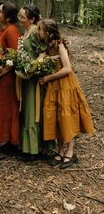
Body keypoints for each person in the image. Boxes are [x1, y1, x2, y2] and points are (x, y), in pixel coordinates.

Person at [37, 19, 95, 168]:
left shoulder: (59, 44)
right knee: (56, 117)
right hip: (54, 87)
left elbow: (67, 68)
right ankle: (60, 151)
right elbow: (41, 61)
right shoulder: (46, 46)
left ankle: (70, 152)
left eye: (40, 30)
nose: (38, 32)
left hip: (65, 85)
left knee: (67, 116)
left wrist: (48, 77)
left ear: (48, 32)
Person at [16, 4, 49, 160]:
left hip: (34, 78)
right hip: (25, 76)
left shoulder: (36, 30)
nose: (20, 19)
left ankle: (34, 149)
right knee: (26, 110)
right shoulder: (26, 31)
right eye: (19, 16)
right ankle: (26, 145)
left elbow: (43, 51)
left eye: (23, 17)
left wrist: (34, 67)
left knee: (32, 110)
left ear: (32, 19)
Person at [0, 2, 21, 149]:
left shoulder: (12, 31)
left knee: (7, 107)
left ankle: (8, 140)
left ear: (8, 17)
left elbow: (16, 56)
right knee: (1, 107)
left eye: (0, 11)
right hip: (0, 76)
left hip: (8, 78)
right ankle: (1, 138)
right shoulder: (1, 31)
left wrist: (2, 72)